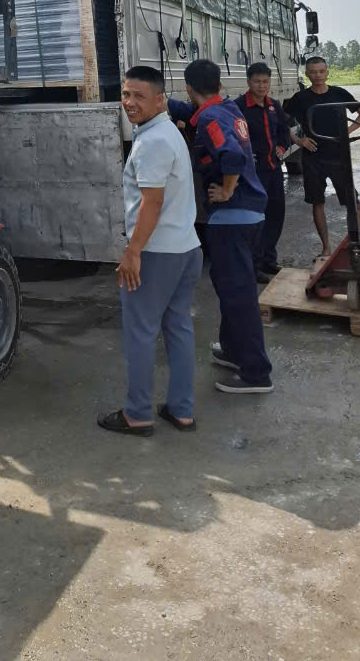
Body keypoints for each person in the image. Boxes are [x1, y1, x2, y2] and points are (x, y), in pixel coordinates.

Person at [98, 66, 203, 437]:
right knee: (179, 328)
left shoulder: (153, 141)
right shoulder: (168, 132)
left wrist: (133, 251)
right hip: (186, 248)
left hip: (158, 254)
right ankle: (181, 410)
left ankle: (138, 414)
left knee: (141, 334)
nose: (129, 102)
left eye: (139, 96)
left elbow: (152, 202)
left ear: (160, 100)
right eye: (126, 94)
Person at [169, 59, 273, 395]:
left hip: (232, 217)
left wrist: (227, 190)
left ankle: (256, 373)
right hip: (251, 214)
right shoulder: (227, 108)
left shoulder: (211, 119)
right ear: (218, 84)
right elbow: (190, 110)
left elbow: (232, 156)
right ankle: (233, 350)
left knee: (238, 296)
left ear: (188, 87)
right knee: (231, 287)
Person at [284, 56, 360, 257]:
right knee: (317, 202)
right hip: (313, 157)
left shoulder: (339, 93)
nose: (318, 76)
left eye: (321, 71)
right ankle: (326, 248)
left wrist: (346, 132)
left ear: (327, 72)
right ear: (307, 74)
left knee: (354, 203)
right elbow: (282, 121)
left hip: (339, 156)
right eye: (313, 72)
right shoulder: (300, 98)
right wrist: (298, 140)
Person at [235, 62, 292, 283]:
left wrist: (282, 147)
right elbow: (232, 136)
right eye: (257, 81)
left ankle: (269, 260)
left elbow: (284, 130)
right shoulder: (238, 107)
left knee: (275, 216)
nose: (261, 86)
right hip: (252, 174)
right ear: (248, 82)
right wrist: (244, 155)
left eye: (265, 81)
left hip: (273, 170)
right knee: (255, 219)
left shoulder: (273, 105)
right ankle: (255, 265)